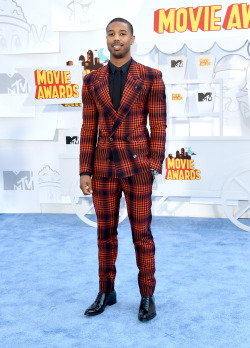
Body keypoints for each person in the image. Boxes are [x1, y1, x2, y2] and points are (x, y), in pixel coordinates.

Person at [79, 17, 166, 322]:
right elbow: (89, 126)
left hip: (137, 167)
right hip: (103, 168)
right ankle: (106, 291)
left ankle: (147, 295)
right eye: (111, 34)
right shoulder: (92, 81)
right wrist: (84, 171)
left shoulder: (151, 77)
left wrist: (153, 164)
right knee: (105, 234)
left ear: (132, 39)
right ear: (107, 39)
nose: (116, 38)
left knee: (142, 233)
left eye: (122, 33)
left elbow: (158, 124)